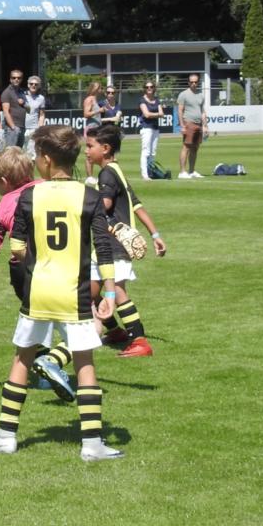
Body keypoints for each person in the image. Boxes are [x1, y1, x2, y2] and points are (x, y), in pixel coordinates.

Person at [0, 124, 124, 462]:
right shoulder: (88, 195)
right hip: (76, 294)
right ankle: (92, 443)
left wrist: (34, 259)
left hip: (39, 292)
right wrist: (110, 296)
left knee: (22, 358)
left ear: (44, 158)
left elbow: (17, 248)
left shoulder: (30, 195)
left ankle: (6, 435)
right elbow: (103, 247)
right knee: (84, 362)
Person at [0, 146, 75, 402]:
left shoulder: (3, 205)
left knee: (36, 321)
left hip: (21, 271)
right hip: (57, 265)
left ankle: (42, 371)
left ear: (3, 181)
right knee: (95, 322)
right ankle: (52, 361)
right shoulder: (51, 188)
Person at [85, 125, 168, 357]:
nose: (86, 151)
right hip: (112, 243)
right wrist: (155, 235)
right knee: (88, 292)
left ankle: (139, 340)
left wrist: (83, 206)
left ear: (105, 148)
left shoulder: (106, 173)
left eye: (90, 146)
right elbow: (136, 204)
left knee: (118, 292)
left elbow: (106, 205)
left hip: (111, 244)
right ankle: (115, 331)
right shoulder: (116, 170)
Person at [177, 73, 208, 178]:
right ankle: (182, 172)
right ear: (188, 82)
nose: (194, 84)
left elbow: (202, 111)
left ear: (198, 82)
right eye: (192, 82)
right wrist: (182, 125)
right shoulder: (183, 94)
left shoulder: (201, 95)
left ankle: (192, 171)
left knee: (195, 148)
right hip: (188, 123)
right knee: (186, 146)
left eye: (196, 82)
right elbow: (180, 111)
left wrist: (205, 125)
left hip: (198, 124)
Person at [138, 80, 165, 179]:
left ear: (154, 88)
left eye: (151, 87)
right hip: (146, 127)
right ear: (144, 89)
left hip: (155, 128)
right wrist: (157, 114)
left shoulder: (156, 99)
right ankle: (145, 174)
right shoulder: (142, 100)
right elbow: (146, 114)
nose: (149, 88)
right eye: (147, 87)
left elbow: (162, 113)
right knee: (146, 151)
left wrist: (155, 115)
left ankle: (151, 172)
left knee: (153, 152)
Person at [82, 81, 104, 176]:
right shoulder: (89, 99)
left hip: (97, 128)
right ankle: (89, 176)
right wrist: (99, 110)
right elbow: (86, 114)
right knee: (89, 152)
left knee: (99, 150)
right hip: (91, 128)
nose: (100, 90)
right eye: (99, 88)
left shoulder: (95, 99)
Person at [0, 69, 27, 148]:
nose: (16, 79)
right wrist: (13, 127)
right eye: (14, 77)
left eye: (19, 78)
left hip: (21, 126)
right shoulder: (7, 92)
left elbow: (28, 108)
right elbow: (6, 112)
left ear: (21, 79)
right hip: (12, 128)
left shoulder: (22, 92)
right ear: (10, 79)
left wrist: (24, 103)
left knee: (18, 152)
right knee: (11, 153)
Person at [22, 76, 47, 157]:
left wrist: (40, 128)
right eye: (31, 84)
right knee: (22, 153)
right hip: (22, 127)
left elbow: (42, 115)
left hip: (34, 128)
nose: (33, 85)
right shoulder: (22, 96)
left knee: (32, 154)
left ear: (39, 86)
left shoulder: (41, 98)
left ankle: (30, 169)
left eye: (36, 84)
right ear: (28, 85)